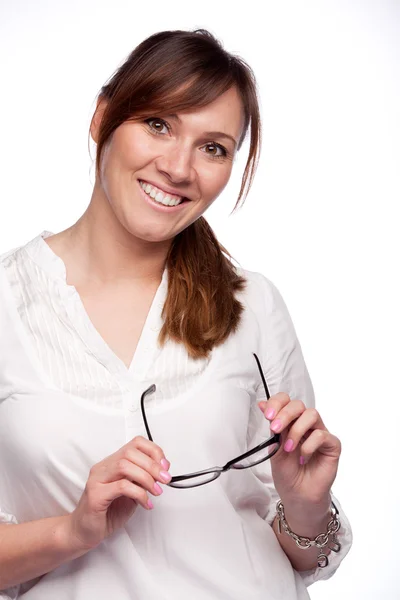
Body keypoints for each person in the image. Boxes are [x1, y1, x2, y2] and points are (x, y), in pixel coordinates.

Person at [0, 28, 352, 600]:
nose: (179, 167)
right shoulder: (6, 303)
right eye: (158, 124)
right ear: (103, 118)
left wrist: (306, 505)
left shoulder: (252, 304)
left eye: (213, 147)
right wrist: (72, 531)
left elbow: (306, 551)